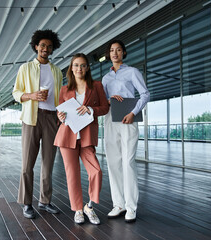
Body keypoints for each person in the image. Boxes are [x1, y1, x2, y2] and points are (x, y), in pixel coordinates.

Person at [12, 29, 63, 219]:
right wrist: (31, 96)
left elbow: (59, 96)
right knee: (27, 164)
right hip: (31, 118)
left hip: (51, 118)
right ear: (36, 47)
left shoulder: (57, 71)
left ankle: (45, 201)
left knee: (48, 163)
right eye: (42, 45)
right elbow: (16, 93)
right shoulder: (25, 68)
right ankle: (27, 203)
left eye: (49, 46)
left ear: (52, 50)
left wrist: (59, 114)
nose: (45, 49)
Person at [54, 53, 109, 224]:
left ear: (87, 68)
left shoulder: (96, 86)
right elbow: (60, 113)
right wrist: (61, 116)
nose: (79, 68)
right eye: (76, 65)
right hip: (67, 136)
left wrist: (91, 110)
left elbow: (105, 108)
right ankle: (78, 209)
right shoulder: (64, 89)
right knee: (72, 174)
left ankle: (89, 206)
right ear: (71, 68)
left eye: (83, 65)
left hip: (87, 136)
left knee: (96, 171)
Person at [102, 40, 150, 223]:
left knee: (128, 162)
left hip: (128, 118)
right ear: (109, 54)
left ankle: (131, 207)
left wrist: (133, 113)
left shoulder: (132, 72)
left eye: (118, 50)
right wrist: (108, 100)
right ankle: (118, 204)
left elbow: (145, 94)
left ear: (123, 53)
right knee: (113, 162)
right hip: (110, 118)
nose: (115, 53)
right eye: (112, 50)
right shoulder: (105, 79)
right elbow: (104, 100)